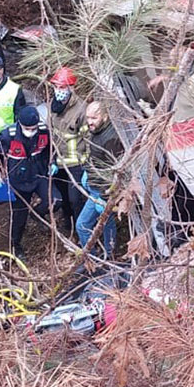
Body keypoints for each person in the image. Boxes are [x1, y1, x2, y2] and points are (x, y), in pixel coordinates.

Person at [0, 106, 56, 254]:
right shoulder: (7, 136)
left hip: (39, 174)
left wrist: (52, 162)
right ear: (20, 124)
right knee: (19, 217)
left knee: (55, 200)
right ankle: (15, 246)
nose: (31, 131)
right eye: (27, 128)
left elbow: (51, 149)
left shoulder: (43, 131)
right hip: (18, 180)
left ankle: (38, 214)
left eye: (33, 128)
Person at [76, 101, 122, 256]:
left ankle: (102, 258)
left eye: (94, 118)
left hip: (102, 190)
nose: (90, 122)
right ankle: (102, 255)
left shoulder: (110, 138)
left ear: (105, 116)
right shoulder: (97, 131)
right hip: (95, 184)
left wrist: (104, 196)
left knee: (86, 224)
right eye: (88, 117)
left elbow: (114, 171)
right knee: (96, 222)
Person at [47, 66, 89, 232]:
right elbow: (52, 134)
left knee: (75, 200)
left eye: (62, 87)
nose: (58, 91)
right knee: (64, 198)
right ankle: (68, 224)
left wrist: (88, 166)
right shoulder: (53, 105)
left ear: (71, 88)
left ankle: (81, 232)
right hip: (59, 162)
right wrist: (52, 160)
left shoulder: (81, 110)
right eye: (56, 87)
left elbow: (88, 140)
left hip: (76, 164)